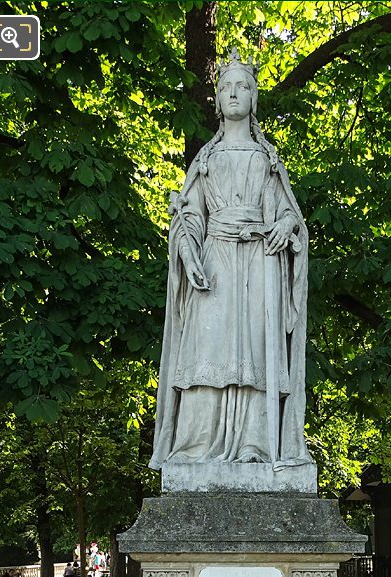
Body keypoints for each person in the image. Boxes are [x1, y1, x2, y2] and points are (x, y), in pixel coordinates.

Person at [149, 49, 311, 470]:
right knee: (207, 345)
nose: (234, 93)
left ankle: (253, 445)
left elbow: (288, 213)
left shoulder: (268, 160)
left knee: (257, 351)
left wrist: (286, 226)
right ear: (217, 99)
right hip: (215, 261)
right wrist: (187, 251)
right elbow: (189, 215)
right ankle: (195, 447)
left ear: (254, 98)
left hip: (261, 263)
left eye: (244, 86)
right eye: (226, 87)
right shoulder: (205, 160)